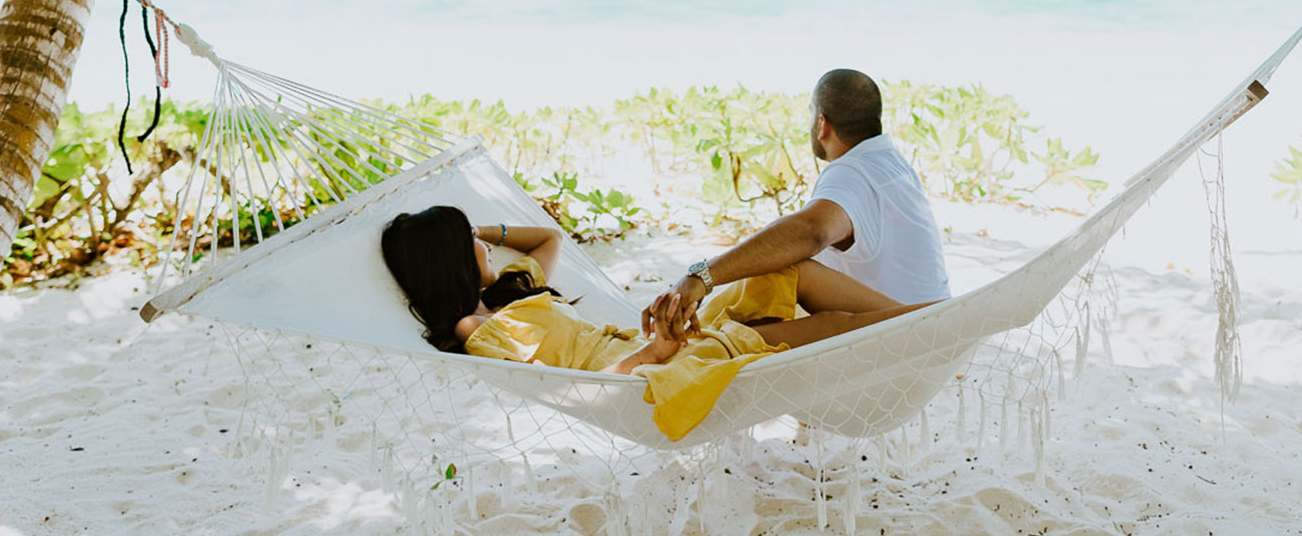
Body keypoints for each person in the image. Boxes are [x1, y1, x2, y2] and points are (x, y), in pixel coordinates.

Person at [380, 204, 933, 440]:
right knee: (831, 324)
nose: (480, 243)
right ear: (450, 260)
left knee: (790, 266)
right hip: (644, 375)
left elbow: (551, 238)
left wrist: (481, 228)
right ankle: (936, 323)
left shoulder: (512, 288)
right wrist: (655, 354)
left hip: (653, 344)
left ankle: (932, 322)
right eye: (467, 241)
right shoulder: (477, 331)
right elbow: (579, 393)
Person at [644, 68, 950, 343]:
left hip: (906, 340)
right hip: (941, 329)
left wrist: (702, 276)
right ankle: (707, 337)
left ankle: (695, 342)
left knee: (785, 267)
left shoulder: (850, 172)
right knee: (768, 279)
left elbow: (812, 231)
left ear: (821, 124)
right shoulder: (890, 164)